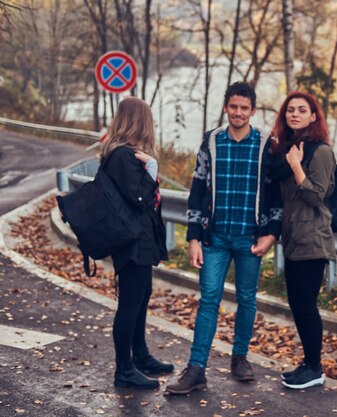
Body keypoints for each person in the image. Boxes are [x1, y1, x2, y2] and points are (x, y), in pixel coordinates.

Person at [165, 82, 282, 394]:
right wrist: (192, 237)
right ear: (227, 107)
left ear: (253, 111)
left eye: (245, 108)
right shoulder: (212, 141)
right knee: (208, 300)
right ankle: (196, 369)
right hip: (214, 238)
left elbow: (274, 194)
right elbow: (198, 189)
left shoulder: (265, 144)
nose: (239, 113)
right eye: (234, 107)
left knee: (246, 299)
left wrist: (271, 233)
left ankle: (240, 358)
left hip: (250, 238)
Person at [100, 97, 172, 389]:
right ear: (140, 121)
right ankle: (124, 370)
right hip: (131, 241)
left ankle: (140, 355)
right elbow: (139, 198)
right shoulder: (122, 156)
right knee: (130, 304)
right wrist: (152, 169)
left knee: (141, 297)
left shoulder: (126, 154)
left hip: (138, 239)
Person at [268, 91, 336, 389]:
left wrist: (297, 167)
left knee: (306, 305)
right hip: (293, 239)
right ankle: (308, 363)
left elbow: (316, 195)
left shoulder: (320, 152)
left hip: (313, 239)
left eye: (302, 110)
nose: (294, 114)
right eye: (290, 110)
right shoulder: (287, 151)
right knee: (297, 304)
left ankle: (315, 367)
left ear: (313, 116)